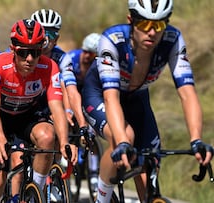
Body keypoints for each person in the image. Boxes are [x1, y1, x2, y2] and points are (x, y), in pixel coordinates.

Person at [81, 0, 214, 202]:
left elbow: (187, 93)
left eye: (159, 24)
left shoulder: (173, 39)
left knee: (149, 163)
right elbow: (111, 98)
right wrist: (123, 143)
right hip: (100, 93)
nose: (152, 32)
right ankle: (102, 196)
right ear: (130, 21)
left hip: (137, 97)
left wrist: (196, 140)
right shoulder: (113, 39)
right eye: (144, 24)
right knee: (124, 136)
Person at [0, 19, 78, 203]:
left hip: (27, 117)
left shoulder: (49, 67)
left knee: (48, 136)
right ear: (12, 49)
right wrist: (0, 139)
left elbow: (57, 108)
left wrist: (65, 141)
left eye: (35, 52)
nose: (30, 59)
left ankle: (35, 194)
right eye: (23, 52)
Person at [31, 8, 88, 134]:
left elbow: (71, 91)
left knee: (58, 132)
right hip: (21, 102)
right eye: (41, 32)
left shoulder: (62, 58)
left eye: (50, 34)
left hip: (48, 102)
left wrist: (81, 122)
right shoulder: (22, 53)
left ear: (56, 39)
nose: (45, 38)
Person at [68, 32, 101, 194]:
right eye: (85, 51)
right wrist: (67, 110)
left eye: (91, 53)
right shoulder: (71, 59)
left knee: (92, 131)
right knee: (67, 119)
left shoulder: (100, 66)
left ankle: (94, 173)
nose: (87, 56)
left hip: (89, 94)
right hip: (69, 92)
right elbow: (65, 89)